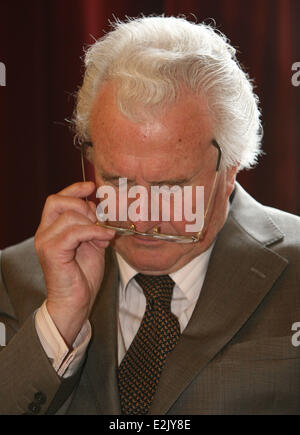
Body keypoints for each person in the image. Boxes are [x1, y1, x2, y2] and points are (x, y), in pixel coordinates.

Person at [0, 15, 299, 415]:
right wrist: (60, 320)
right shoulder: (13, 275)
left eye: (170, 186)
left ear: (230, 169)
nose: (141, 220)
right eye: (116, 179)